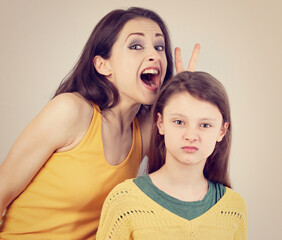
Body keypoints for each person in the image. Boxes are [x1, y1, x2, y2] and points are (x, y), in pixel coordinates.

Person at [0, 7, 199, 240]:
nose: (154, 55)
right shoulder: (70, 111)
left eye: (159, 47)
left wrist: (182, 98)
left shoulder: (145, 130)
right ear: (103, 65)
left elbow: (188, 174)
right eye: (136, 46)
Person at [96, 71, 247, 240]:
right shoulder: (124, 201)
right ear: (160, 123)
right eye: (179, 122)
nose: (191, 135)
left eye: (205, 125)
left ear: (221, 131)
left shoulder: (234, 207)